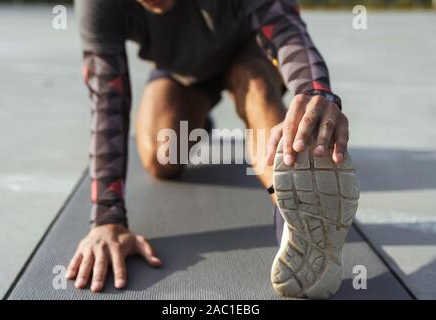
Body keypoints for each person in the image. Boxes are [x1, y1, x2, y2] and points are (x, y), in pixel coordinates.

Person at [66, 0, 359, 298]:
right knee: (161, 157)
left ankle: (297, 227)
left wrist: (315, 91)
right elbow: (108, 100)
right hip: (186, 71)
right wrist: (107, 219)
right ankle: (199, 122)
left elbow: (284, 27)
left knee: (255, 88)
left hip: (251, 52)